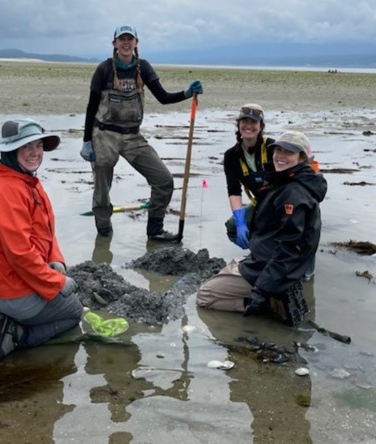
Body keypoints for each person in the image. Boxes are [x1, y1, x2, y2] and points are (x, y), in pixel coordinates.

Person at [0, 118, 83, 361]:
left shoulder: (24, 181)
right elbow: (20, 254)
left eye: (39, 145)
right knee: (73, 312)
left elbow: (45, 231)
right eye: (26, 147)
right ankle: (15, 334)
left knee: (58, 291)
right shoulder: (8, 190)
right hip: (6, 290)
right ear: (10, 151)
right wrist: (55, 282)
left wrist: (56, 260)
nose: (35, 153)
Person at [80, 24, 203, 242]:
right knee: (101, 192)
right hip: (104, 136)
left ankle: (154, 231)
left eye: (130, 39)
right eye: (122, 39)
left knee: (164, 180)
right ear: (115, 44)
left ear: (136, 42)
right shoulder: (103, 69)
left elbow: (163, 98)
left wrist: (186, 93)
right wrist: (87, 141)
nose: (126, 43)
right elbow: (91, 107)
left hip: (132, 137)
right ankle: (104, 234)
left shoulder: (143, 67)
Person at [196, 131, 326, 326]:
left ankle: (268, 303)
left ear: (302, 158)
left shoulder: (293, 194)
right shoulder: (285, 179)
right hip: (267, 258)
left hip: (272, 267)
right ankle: (269, 283)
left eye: (289, 152)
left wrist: (261, 291)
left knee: (204, 297)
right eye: (279, 150)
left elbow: (289, 251)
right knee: (231, 263)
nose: (281, 156)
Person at [222, 103, 276, 249]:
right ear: (238, 125)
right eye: (245, 121)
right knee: (232, 227)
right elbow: (234, 191)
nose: (248, 126)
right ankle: (258, 252)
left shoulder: (273, 148)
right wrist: (240, 221)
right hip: (259, 203)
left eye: (254, 122)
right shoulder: (231, 156)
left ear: (261, 127)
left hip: (281, 204)